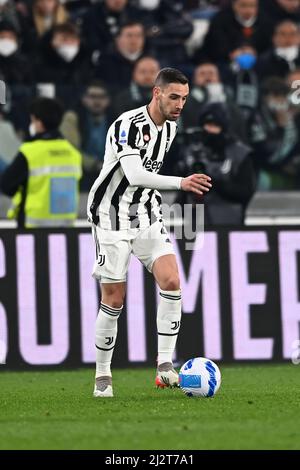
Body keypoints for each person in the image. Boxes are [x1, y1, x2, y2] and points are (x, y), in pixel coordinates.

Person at [87, 68, 212, 398]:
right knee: (113, 299)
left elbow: (145, 182)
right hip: (111, 217)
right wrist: (181, 182)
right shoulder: (127, 125)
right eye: (174, 97)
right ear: (156, 93)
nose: (179, 105)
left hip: (146, 214)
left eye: (184, 99)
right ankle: (103, 377)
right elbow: (134, 174)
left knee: (172, 281)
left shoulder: (171, 127)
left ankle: (164, 366)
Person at [0, 97, 82, 227]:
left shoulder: (30, 152)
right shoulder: (73, 153)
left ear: (38, 122)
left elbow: (6, 185)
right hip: (66, 230)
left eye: (32, 120)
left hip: (33, 230)